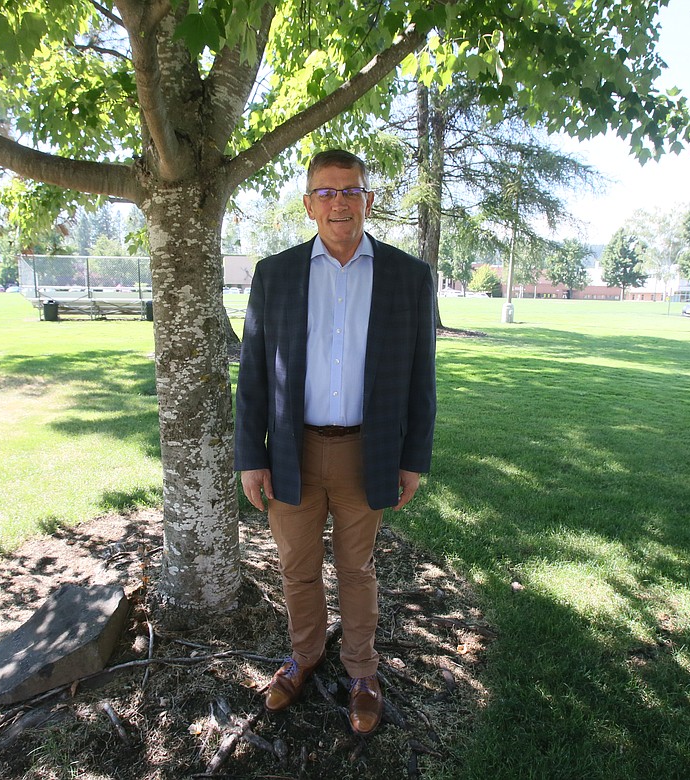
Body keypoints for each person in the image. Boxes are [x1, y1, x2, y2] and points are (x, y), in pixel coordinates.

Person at [234, 149, 437, 736]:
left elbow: (421, 376)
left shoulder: (407, 276)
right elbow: (252, 375)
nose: (339, 202)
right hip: (290, 452)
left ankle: (363, 672)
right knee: (296, 568)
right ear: (308, 205)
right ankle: (304, 656)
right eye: (326, 192)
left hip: (365, 451)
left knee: (357, 568)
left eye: (350, 190)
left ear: (368, 200)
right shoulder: (276, 275)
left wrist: (412, 460)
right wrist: (252, 457)